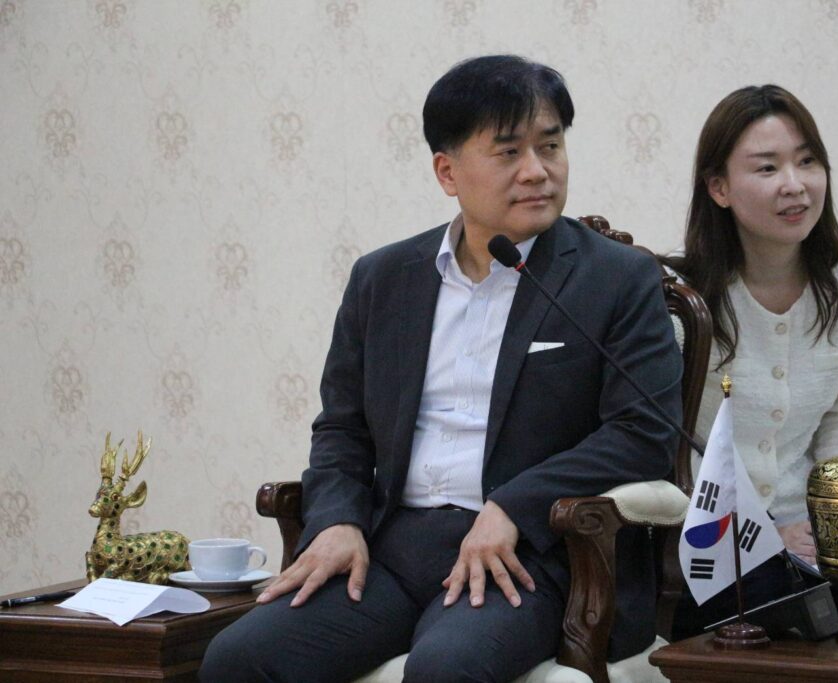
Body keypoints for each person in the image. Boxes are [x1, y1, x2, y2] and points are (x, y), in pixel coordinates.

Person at [201, 55, 683, 683]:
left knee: (445, 669)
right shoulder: (383, 279)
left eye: (550, 146)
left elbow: (642, 433)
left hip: (535, 553)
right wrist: (338, 519)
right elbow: (342, 428)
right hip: (392, 549)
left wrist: (514, 507)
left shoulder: (616, 278)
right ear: (447, 171)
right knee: (237, 659)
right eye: (508, 152)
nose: (536, 171)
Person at [662, 84, 838, 635]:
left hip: (807, 538)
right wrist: (760, 535)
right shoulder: (676, 298)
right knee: (783, 609)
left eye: (807, 162)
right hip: (704, 543)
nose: (795, 185)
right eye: (767, 168)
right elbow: (660, 448)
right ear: (719, 187)